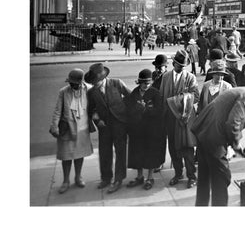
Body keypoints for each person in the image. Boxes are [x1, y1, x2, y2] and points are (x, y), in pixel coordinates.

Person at [191, 79, 245, 206]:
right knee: (222, 177)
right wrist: (236, 144)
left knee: (205, 177)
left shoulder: (243, 91)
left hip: (204, 133)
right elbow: (233, 122)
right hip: (214, 138)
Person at [86, 63, 131, 193]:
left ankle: (118, 179)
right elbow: (92, 109)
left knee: (120, 151)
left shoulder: (117, 83)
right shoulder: (92, 92)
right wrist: (97, 120)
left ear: (103, 78)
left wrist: (125, 114)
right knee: (104, 152)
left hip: (120, 123)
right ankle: (106, 178)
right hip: (104, 126)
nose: (95, 85)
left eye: (96, 82)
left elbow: (130, 97)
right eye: (93, 83)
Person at [157, 50, 200, 189]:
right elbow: (162, 96)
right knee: (173, 148)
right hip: (170, 118)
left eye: (183, 65)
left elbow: (195, 95)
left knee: (187, 148)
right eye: (178, 65)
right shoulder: (165, 77)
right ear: (173, 63)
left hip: (184, 118)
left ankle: (192, 176)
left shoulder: (190, 77)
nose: (181, 67)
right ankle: (178, 173)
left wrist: (181, 101)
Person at [49, 69, 94, 194]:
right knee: (66, 156)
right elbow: (57, 110)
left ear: (81, 82)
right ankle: (65, 181)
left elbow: (95, 104)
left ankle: (78, 177)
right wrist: (54, 127)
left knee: (79, 154)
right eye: (71, 83)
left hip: (83, 127)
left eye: (75, 83)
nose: (72, 85)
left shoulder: (89, 89)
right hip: (67, 128)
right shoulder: (63, 92)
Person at [125, 69, 165, 191]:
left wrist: (146, 109)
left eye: (148, 83)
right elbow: (128, 110)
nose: (146, 85)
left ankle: (150, 177)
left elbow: (160, 111)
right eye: (143, 83)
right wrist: (136, 109)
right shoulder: (134, 93)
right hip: (137, 129)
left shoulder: (155, 93)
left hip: (151, 130)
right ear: (139, 82)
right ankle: (139, 176)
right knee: (137, 152)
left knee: (150, 153)